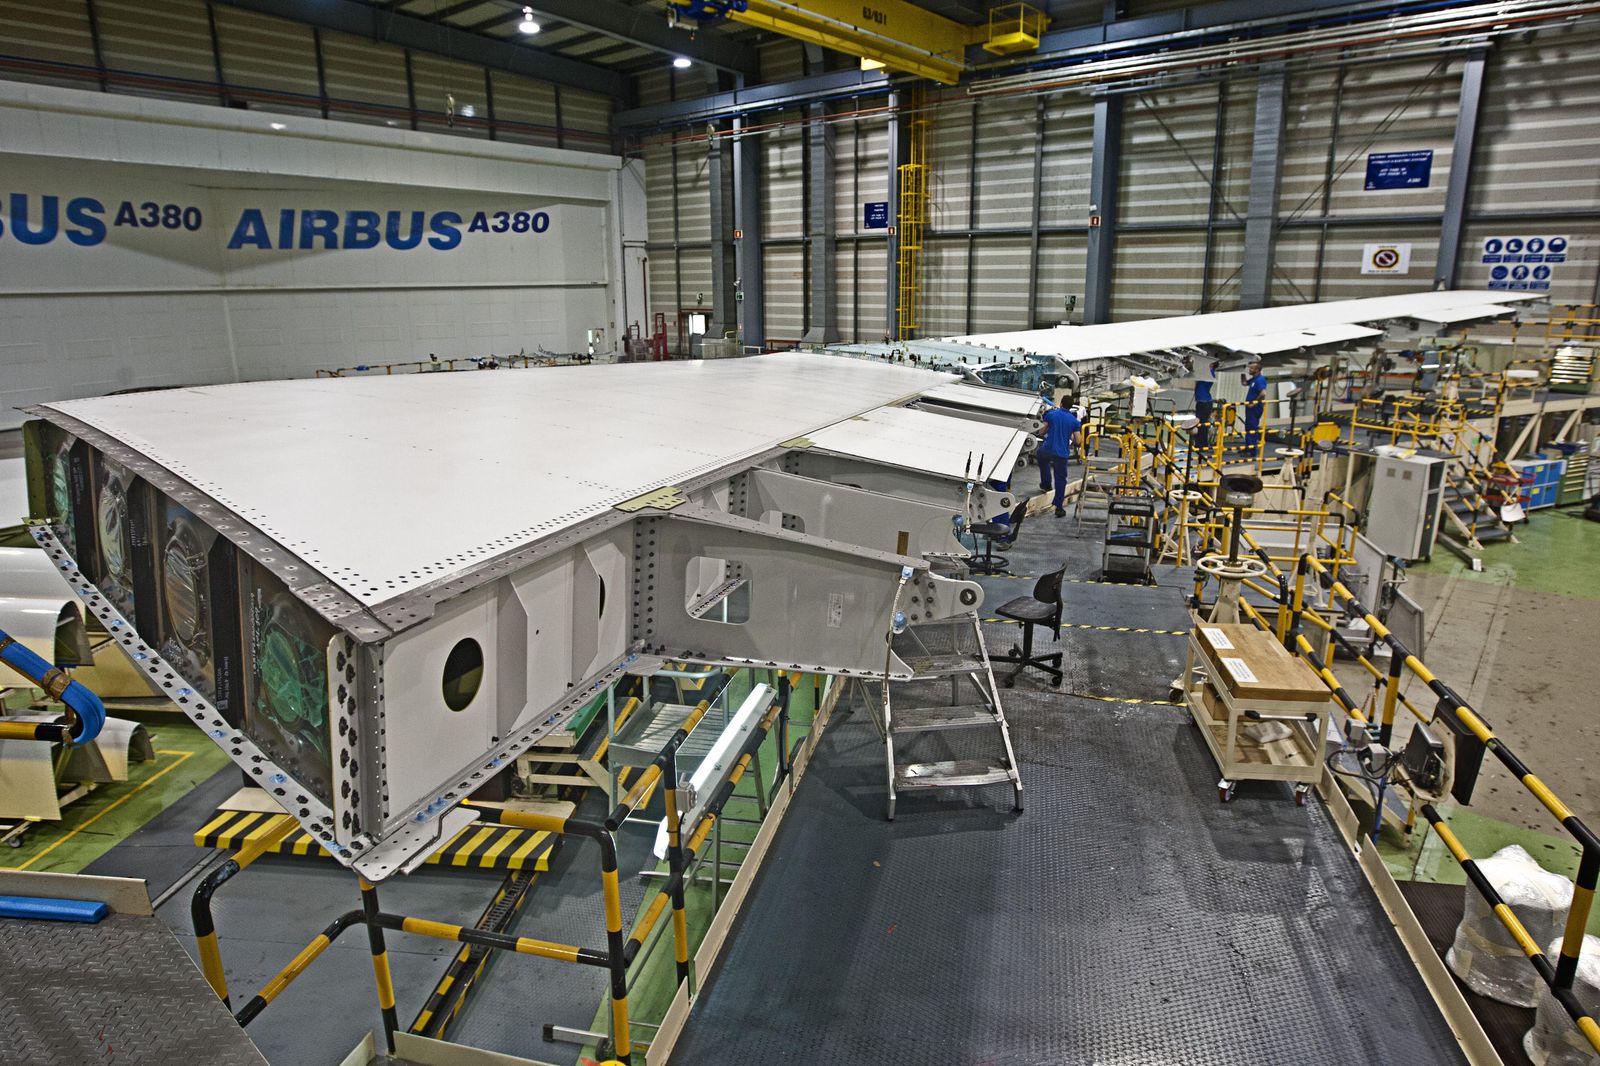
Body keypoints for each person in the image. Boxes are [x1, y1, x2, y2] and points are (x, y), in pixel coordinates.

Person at [1037, 402, 1084, 517]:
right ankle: (1059, 507)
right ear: (1070, 406)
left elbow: (1042, 431)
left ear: (1061, 403)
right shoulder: (1074, 421)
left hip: (1047, 449)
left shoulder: (1051, 414)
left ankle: (1046, 484)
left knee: (1042, 459)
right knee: (1060, 479)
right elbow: (1077, 440)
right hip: (1061, 454)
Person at [1242, 359, 1268, 450]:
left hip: (1255, 408)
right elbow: (1244, 383)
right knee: (1248, 427)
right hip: (1250, 407)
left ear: (1257, 370)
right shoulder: (1254, 379)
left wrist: (1254, 402)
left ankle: (1252, 450)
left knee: (1252, 427)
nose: (1249, 370)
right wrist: (1242, 372)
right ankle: (1248, 447)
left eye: (1251, 368)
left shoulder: (1260, 379)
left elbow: (1263, 393)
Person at [1193, 359, 1218, 449]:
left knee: (1201, 425)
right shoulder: (1209, 373)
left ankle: (1201, 444)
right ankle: (1200, 443)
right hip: (1203, 401)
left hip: (1204, 402)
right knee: (1201, 424)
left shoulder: (1209, 373)